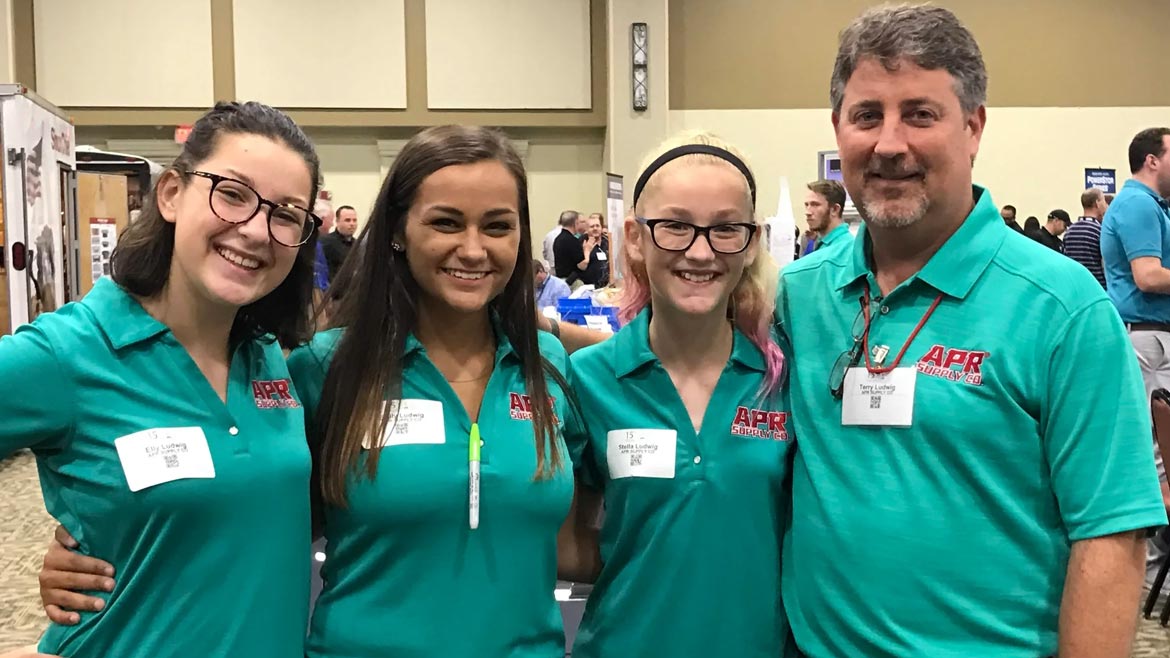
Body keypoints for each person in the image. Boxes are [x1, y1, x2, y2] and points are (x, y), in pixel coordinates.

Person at [776, 6, 1166, 657]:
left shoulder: (1063, 307)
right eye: (867, 115)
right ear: (838, 129)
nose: (890, 143)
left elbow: (1113, 532)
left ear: (974, 127)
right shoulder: (798, 295)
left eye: (920, 115)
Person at [0, 101, 323, 657]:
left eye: (286, 213)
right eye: (233, 193)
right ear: (172, 193)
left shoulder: (270, 359)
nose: (255, 230)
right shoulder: (68, 354)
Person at [286, 125, 579, 657]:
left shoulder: (547, 366)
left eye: (497, 226)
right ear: (398, 230)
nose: (473, 250)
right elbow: (255, 525)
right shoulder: (326, 367)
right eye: (446, 223)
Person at [560, 132, 792, 658]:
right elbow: (564, 544)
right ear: (635, 238)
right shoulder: (587, 380)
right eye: (675, 227)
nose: (701, 251)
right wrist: (652, 563)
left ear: (752, 241)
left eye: (726, 229)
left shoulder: (782, 382)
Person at [1100, 126, 1170, 586]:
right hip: (1147, 337)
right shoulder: (1139, 205)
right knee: (1155, 456)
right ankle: (1151, 576)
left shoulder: (1149, 206)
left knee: (1160, 453)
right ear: (1152, 160)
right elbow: (1148, 276)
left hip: (1152, 337)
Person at [1063, 188, 1108, 288]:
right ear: (1097, 203)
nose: (1106, 206)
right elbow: (1106, 264)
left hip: (1075, 287)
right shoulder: (1100, 231)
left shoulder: (1069, 232)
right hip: (1097, 287)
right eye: (1104, 201)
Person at [804, 179, 851, 251]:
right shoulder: (819, 243)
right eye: (807, 205)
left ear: (835, 209)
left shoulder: (845, 249)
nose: (808, 212)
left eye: (815, 205)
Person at [320, 204, 358, 280]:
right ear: (337, 221)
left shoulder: (358, 245)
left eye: (354, 220)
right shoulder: (326, 242)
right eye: (347, 220)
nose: (352, 224)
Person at [552, 209, 584, 284]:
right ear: (575, 223)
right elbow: (581, 264)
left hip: (560, 280)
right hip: (572, 281)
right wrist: (587, 251)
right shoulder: (573, 241)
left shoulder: (557, 239)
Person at [577, 213, 610, 287]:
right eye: (592, 226)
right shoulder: (580, 242)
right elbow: (580, 267)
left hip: (606, 286)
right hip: (588, 286)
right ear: (587, 229)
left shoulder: (607, 242)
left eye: (597, 226)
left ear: (601, 228)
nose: (595, 228)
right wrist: (587, 253)